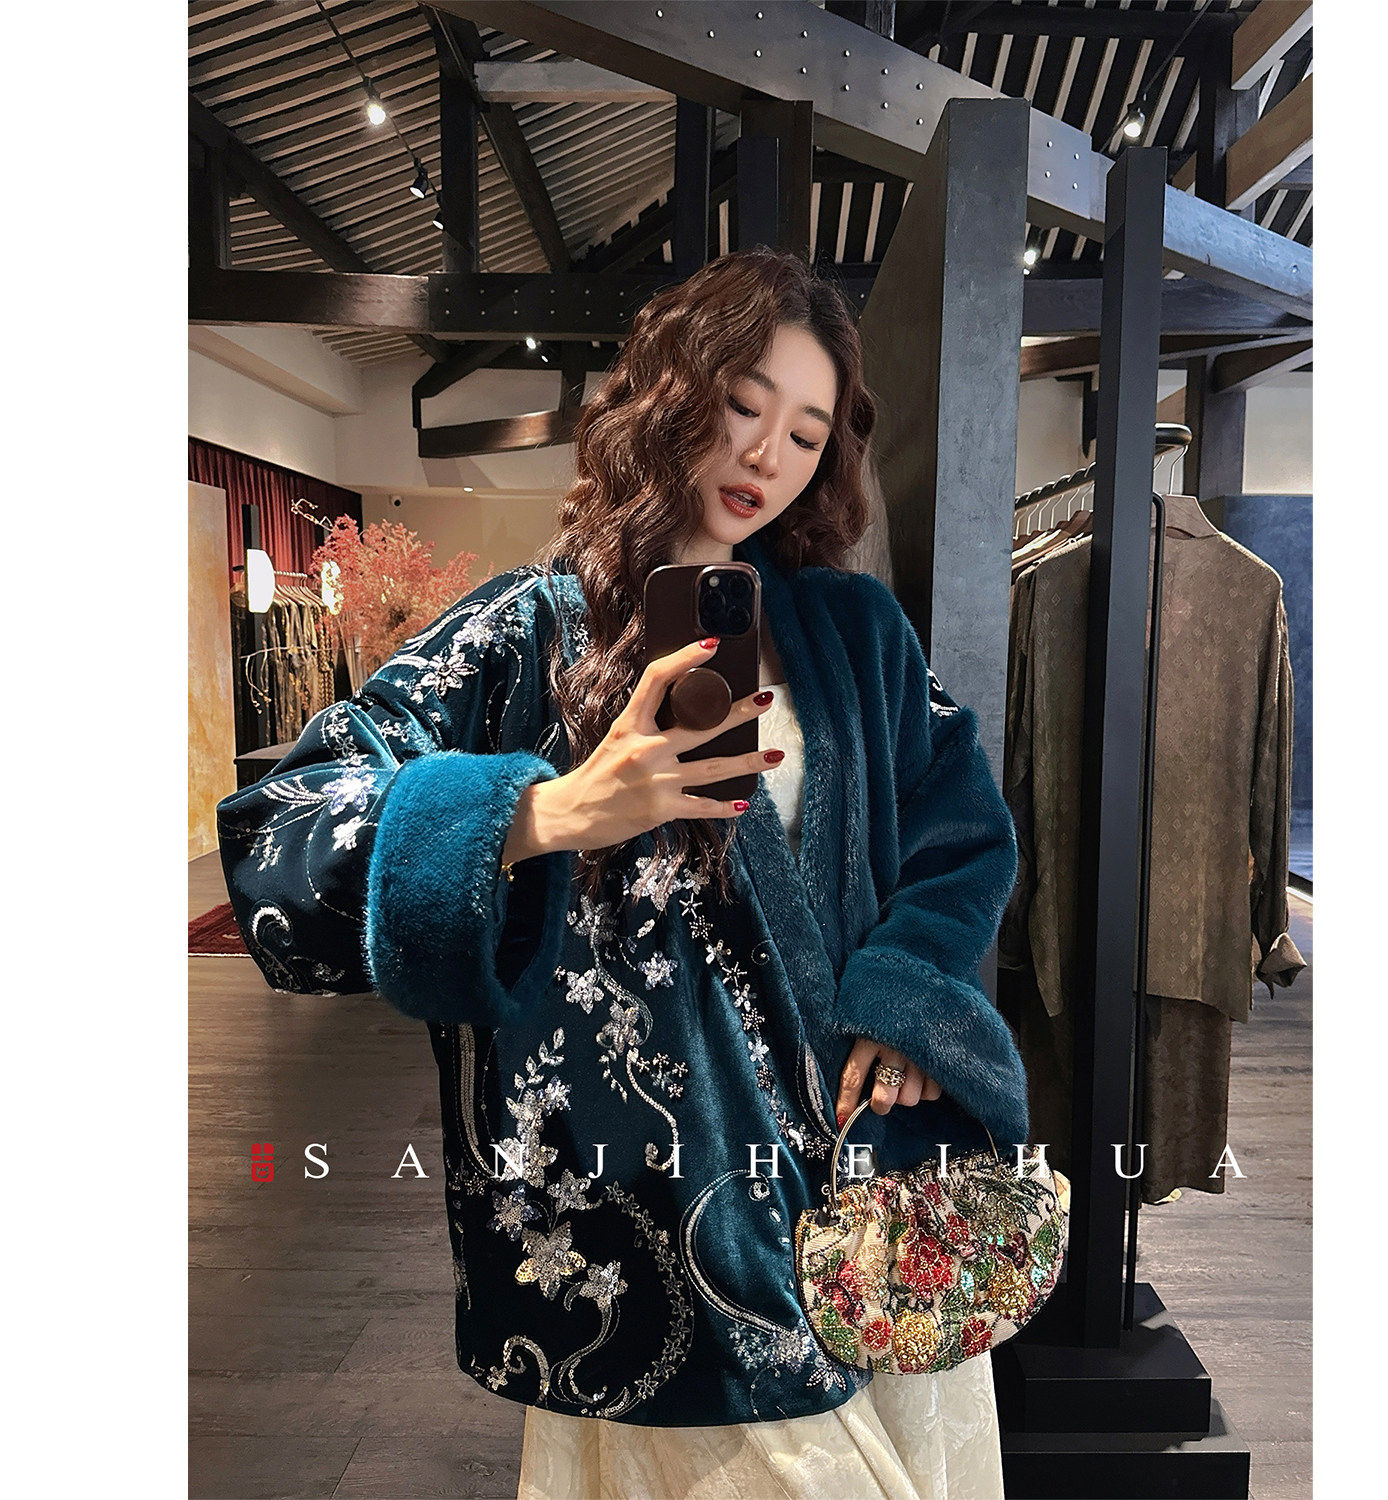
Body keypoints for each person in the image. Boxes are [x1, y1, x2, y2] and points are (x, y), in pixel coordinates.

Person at [217, 246, 1029, 1498]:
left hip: (872, 1198)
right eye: (745, 404)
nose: (767, 454)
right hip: (663, 1242)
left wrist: (911, 997)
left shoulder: (855, 632)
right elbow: (279, 832)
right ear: (672, 394)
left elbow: (962, 829)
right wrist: (547, 811)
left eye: (806, 433)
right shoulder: (527, 631)